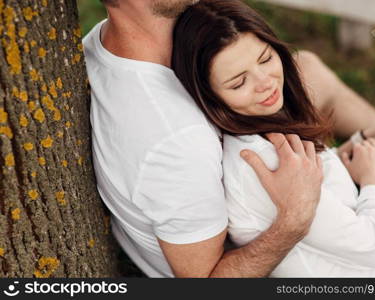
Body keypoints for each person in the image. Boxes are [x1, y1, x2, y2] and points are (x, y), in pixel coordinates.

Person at [171, 0, 375, 277]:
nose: (265, 81)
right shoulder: (265, 162)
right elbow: (373, 249)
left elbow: (318, 183)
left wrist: (364, 137)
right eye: (239, 82)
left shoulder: (261, 133)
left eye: (265, 58)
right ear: (209, 96)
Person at [83, 0, 323, 278]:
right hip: (301, 262)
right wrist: (294, 221)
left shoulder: (107, 42)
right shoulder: (176, 139)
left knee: (309, 67)